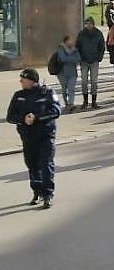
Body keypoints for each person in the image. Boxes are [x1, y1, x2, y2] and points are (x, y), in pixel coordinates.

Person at [6, 68, 61, 209]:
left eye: (23, 79)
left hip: (46, 134)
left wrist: (37, 118)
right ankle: (37, 192)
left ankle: (48, 194)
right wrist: (23, 119)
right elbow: (10, 117)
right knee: (32, 165)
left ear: (31, 80)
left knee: (46, 163)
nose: (20, 82)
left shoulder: (47, 93)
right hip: (28, 136)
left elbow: (56, 111)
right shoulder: (18, 96)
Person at [75, 16, 105, 109]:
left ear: (93, 24)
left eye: (89, 24)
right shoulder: (81, 34)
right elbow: (77, 46)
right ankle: (85, 101)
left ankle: (94, 101)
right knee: (84, 81)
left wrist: (99, 58)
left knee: (94, 82)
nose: (87, 25)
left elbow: (102, 46)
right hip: (84, 60)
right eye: (86, 24)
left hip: (94, 60)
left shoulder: (98, 34)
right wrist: (79, 57)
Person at [56, 35, 81, 113]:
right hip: (62, 73)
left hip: (73, 73)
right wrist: (71, 57)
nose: (71, 42)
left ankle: (71, 104)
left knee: (71, 88)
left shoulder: (75, 50)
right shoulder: (60, 49)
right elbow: (63, 59)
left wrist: (70, 58)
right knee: (64, 89)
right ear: (65, 41)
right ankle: (66, 102)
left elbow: (78, 59)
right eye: (69, 41)